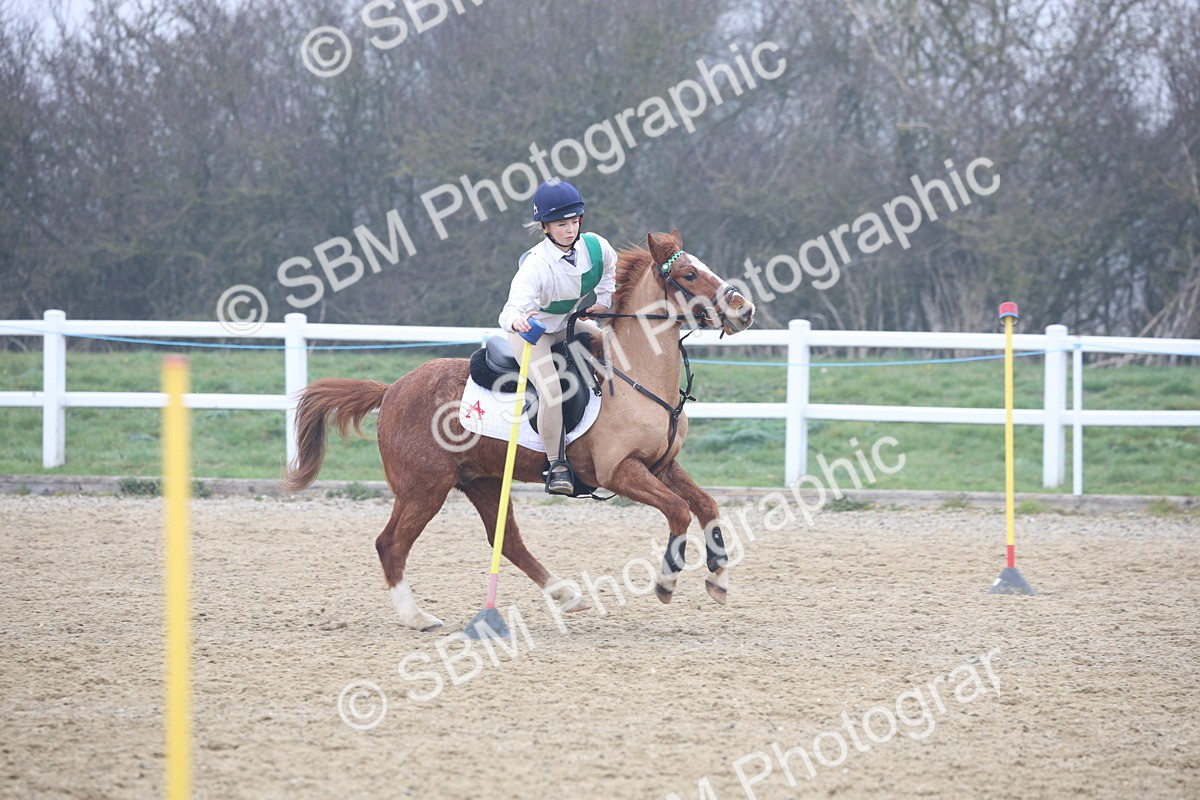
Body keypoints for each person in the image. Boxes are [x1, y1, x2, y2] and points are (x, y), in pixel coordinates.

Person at [499, 178, 617, 495]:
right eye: (561, 224)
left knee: (612, 348)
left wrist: (604, 300)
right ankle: (557, 465)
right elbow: (508, 311)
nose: (569, 229)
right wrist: (519, 323)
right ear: (545, 227)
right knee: (551, 388)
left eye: (574, 221)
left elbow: (610, 270)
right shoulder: (536, 265)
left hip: (565, 323)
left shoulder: (597, 246)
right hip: (532, 334)